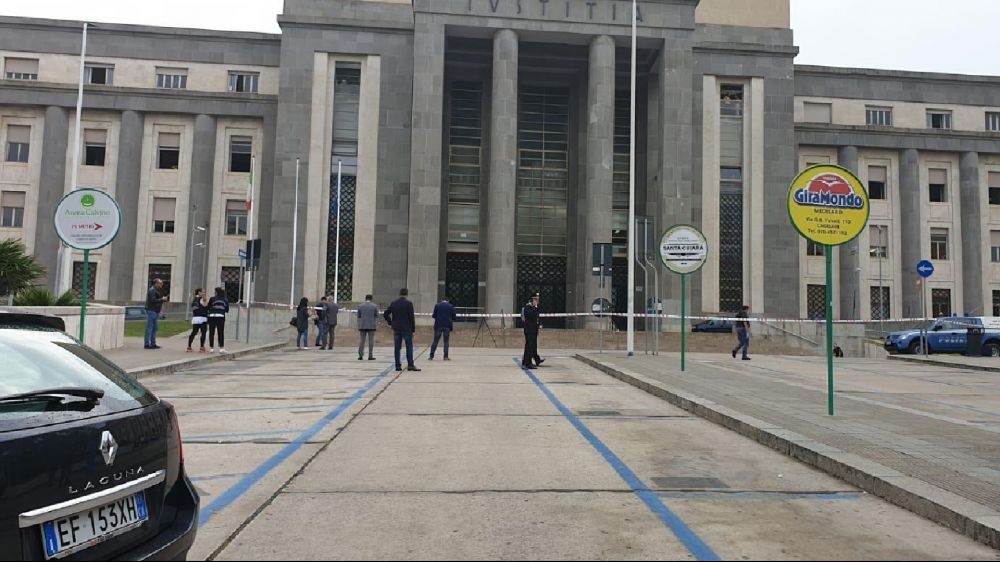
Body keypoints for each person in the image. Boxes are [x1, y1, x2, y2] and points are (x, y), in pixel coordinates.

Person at [384, 288, 420, 372]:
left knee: (397, 347)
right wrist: (413, 329)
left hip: (396, 328)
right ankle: (410, 365)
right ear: (407, 294)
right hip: (407, 328)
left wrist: (391, 323)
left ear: (400, 294)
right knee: (409, 347)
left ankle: (397, 365)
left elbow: (386, 314)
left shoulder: (394, 303)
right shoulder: (408, 304)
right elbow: (411, 317)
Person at [521, 293, 545, 369]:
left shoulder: (534, 308)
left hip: (534, 330)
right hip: (529, 330)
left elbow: (537, 318)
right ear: (532, 300)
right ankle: (527, 363)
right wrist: (534, 308)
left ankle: (528, 362)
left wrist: (539, 324)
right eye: (535, 300)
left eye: (537, 300)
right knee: (529, 347)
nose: (537, 301)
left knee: (532, 347)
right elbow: (529, 316)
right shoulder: (528, 307)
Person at [144, 278, 169, 350]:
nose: (162, 285)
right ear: (156, 283)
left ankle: (153, 343)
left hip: (156, 311)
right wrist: (162, 299)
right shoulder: (152, 290)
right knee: (150, 328)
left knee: (154, 328)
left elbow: (157, 300)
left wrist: (162, 300)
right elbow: (153, 300)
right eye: (160, 283)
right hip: (151, 310)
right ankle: (147, 344)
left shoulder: (157, 290)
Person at [429, 296, 456, 361]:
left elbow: (434, 316)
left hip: (438, 325)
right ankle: (445, 356)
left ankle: (431, 356)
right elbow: (454, 317)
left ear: (441, 300)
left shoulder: (437, 306)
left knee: (435, 341)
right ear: (448, 300)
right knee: (446, 341)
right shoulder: (451, 306)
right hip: (447, 325)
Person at [207, 287, 229, 353]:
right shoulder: (225, 299)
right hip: (220, 317)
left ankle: (211, 348)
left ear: (216, 292)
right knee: (220, 332)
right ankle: (221, 348)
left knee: (211, 332)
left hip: (212, 317)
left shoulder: (212, 298)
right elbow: (227, 310)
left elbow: (208, 307)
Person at [186, 288, 208, 352]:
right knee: (203, 332)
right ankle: (202, 347)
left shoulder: (194, 299)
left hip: (196, 318)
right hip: (202, 317)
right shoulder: (202, 299)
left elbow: (194, 296)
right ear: (199, 292)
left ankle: (189, 346)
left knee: (194, 332)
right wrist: (205, 298)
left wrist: (195, 292)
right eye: (203, 292)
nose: (204, 293)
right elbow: (205, 304)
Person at [357, 294, 378, 361]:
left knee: (362, 341)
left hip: (362, 325)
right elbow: (376, 315)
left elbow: (359, 315)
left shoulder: (360, 306)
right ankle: (370, 355)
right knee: (371, 341)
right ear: (371, 299)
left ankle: (360, 355)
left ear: (365, 298)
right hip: (371, 325)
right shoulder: (374, 306)